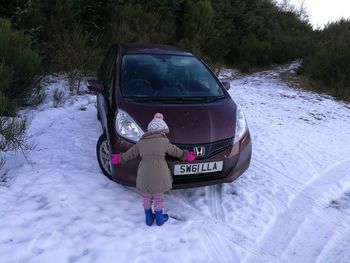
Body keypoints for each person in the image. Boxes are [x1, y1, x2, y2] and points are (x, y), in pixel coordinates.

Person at [111, 113, 196, 226]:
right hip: (159, 171)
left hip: (144, 171)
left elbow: (129, 154)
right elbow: (176, 152)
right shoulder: (164, 142)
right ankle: (160, 218)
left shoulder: (141, 142)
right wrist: (186, 155)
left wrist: (119, 158)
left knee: (147, 196)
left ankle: (148, 218)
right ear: (161, 131)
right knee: (158, 196)